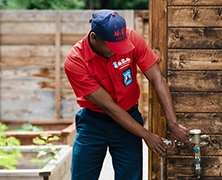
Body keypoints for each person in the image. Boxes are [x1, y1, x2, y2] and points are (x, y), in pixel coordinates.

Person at [64, 9, 190, 180]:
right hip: (93, 124)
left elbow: (156, 78)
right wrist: (146, 135)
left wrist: (173, 123)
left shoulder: (131, 38)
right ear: (94, 37)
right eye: (112, 46)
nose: (117, 50)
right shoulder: (75, 61)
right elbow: (109, 106)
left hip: (129, 118)